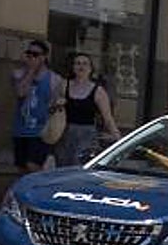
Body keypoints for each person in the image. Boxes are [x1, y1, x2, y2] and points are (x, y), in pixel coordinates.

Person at [54, 53, 121, 167]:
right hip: (63, 132)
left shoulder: (98, 91)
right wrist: (57, 104)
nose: (81, 66)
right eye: (78, 63)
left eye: (85, 64)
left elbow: (107, 117)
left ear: (90, 68)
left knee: (78, 166)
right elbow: (51, 108)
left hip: (86, 134)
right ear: (73, 67)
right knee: (62, 166)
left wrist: (116, 136)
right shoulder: (64, 85)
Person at [11, 39, 64, 173]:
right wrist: (30, 72)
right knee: (21, 167)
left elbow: (55, 103)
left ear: (44, 57)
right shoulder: (19, 74)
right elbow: (20, 92)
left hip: (41, 131)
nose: (31, 57)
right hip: (21, 128)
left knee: (33, 165)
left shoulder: (54, 79)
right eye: (28, 54)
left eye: (35, 54)